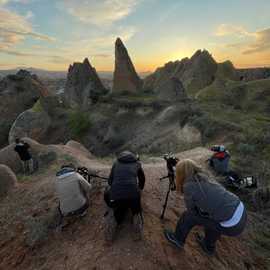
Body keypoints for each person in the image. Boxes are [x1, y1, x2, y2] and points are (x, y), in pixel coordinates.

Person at [164, 159, 247, 255]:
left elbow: (191, 210)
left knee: (188, 216)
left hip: (232, 223)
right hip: (240, 210)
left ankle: (177, 239)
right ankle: (208, 247)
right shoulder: (205, 177)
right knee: (213, 220)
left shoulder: (188, 186)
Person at [104, 151, 145, 241]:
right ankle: (137, 230)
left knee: (116, 212)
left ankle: (110, 232)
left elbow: (110, 181)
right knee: (136, 211)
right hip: (133, 196)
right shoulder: (137, 164)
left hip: (116, 196)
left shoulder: (115, 163)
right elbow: (142, 178)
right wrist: (140, 189)